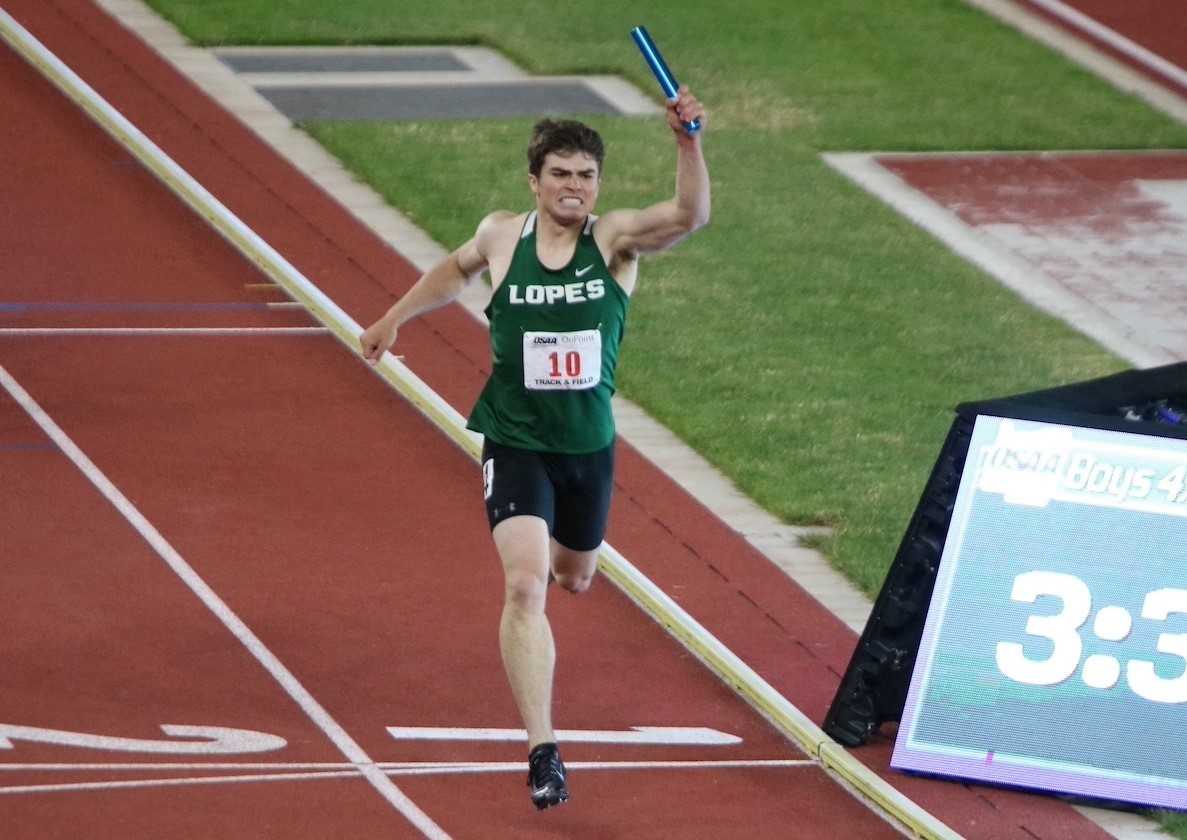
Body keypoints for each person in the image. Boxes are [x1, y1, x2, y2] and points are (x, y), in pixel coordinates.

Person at [360, 86, 710, 810]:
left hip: (587, 446)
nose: (573, 187)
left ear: (597, 185)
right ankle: (543, 751)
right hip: (515, 438)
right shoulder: (500, 235)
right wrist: (394, 318)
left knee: (574, 579)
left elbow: (687, 216)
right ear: (534, 181)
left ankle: (559, 557)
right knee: (524, 585)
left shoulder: (612, 241)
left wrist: (687, 142)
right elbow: (456, 271)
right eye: (560, 174)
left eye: (585, 176)